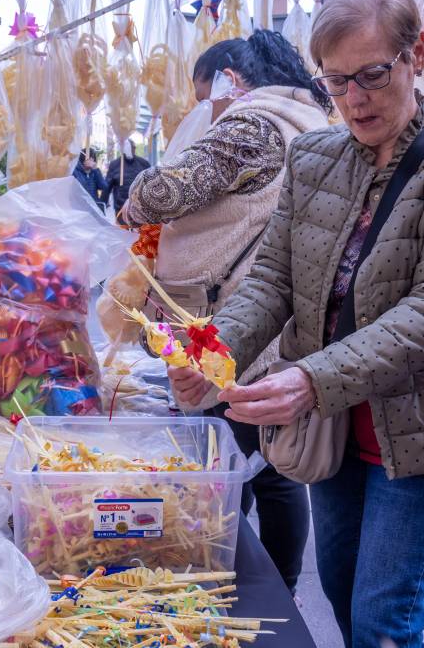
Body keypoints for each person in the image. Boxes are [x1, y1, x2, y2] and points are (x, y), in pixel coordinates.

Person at [169, 0, 424, 648]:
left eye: (372, 75)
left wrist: (309, 379)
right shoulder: (315, 156)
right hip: (332, 429)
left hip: (422, 429)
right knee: (343, 592)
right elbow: (273, 277)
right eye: (337, 81)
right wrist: (214, 351)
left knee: (385, 618)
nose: (354, 99)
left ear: (415, 57)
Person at [121, 29, 331, 591]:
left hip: (235, 320)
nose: (202, 112)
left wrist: (133, 195)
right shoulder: (310, 118)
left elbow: (159, 195)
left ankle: (234, 583)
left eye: (202, 98)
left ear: (228, 80)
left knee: (230, 460)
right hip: (276, 321)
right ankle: (275, 585)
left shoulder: (254, 122)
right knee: (273, 465)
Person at [104, 138, 150, 224]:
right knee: (122, 234)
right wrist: (102, 205)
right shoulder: (115, 164)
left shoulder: (144, 163)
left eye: (132, 147)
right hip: (120, 209)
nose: (130, 150)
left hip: (141, 210)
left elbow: (150, 184)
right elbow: (107, 187)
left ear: (134, 148)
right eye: (127, 148)